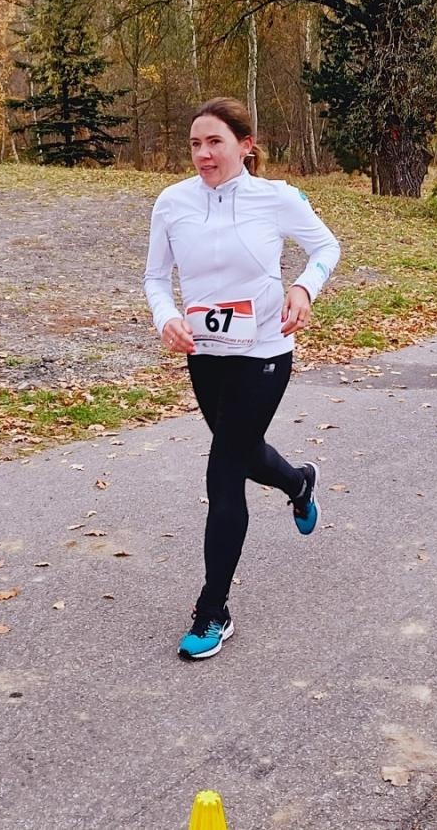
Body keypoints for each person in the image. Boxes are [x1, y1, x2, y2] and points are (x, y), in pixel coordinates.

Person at [144, 97, 341, 660]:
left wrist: (303, 288)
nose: (203, 154)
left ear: (245, 146)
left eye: (215, 143)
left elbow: (327, 246)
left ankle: (214, 609)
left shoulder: (275, 199)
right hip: (205, 351)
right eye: (195, 144)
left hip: (265, 349)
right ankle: (299, 483)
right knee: (245, 452)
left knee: (224, 468)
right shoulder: (172, 202)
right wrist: (167, 318)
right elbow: (156, 278)